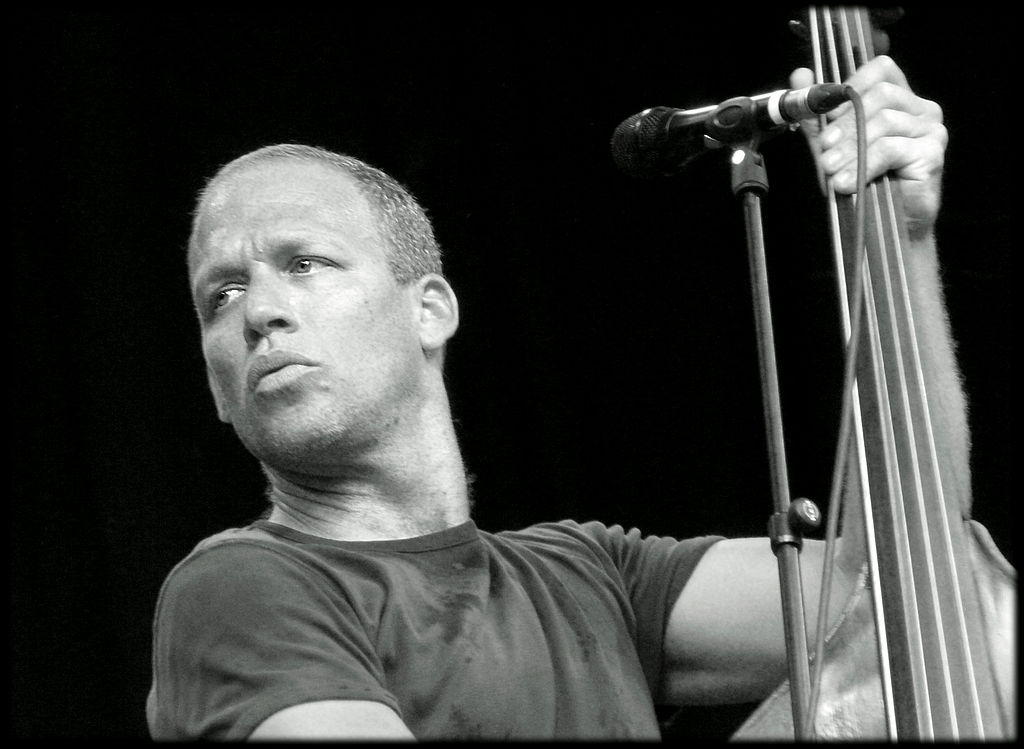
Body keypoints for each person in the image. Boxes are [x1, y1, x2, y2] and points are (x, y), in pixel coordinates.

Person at [145, 55, 1008, 740]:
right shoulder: (239, 587)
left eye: (304, 263)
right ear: (218, 390)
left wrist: (897, 234)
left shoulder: (585, 573)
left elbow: (903, 584)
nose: (259, 311)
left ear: (430, 310)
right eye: (219, 296)